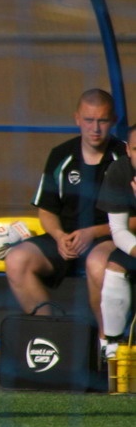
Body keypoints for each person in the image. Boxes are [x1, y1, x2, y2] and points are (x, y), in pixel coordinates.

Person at [5, 88, 125, 353]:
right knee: (17, 260)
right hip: (67, 238)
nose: (95, 128)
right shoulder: (61, 155)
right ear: (77, 119)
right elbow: (46, 210)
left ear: (113, 120)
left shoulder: (124, 158)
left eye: (102, 121)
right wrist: (59, 236)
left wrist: (92, 233)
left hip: (110, 236)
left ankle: (108, 347)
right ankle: (54, 339)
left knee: (97, 263)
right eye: (89, 120)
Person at [95, 123, 136, 359]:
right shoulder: (119, 171)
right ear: (128, 150)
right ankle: (113, 348)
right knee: (114, 268)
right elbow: (118, 230)